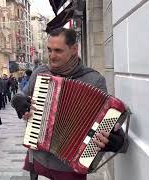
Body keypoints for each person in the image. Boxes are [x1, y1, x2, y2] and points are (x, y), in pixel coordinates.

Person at [11, 28, 128, 180]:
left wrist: (115, 140)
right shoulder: (41, 72)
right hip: (38, 159)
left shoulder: (93, 80)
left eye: (58, 51)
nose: (52, 56)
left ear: (74, 49)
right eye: (49, 50)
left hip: (69, 167)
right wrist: (17, 101)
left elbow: (105, 123)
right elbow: (22, 94)